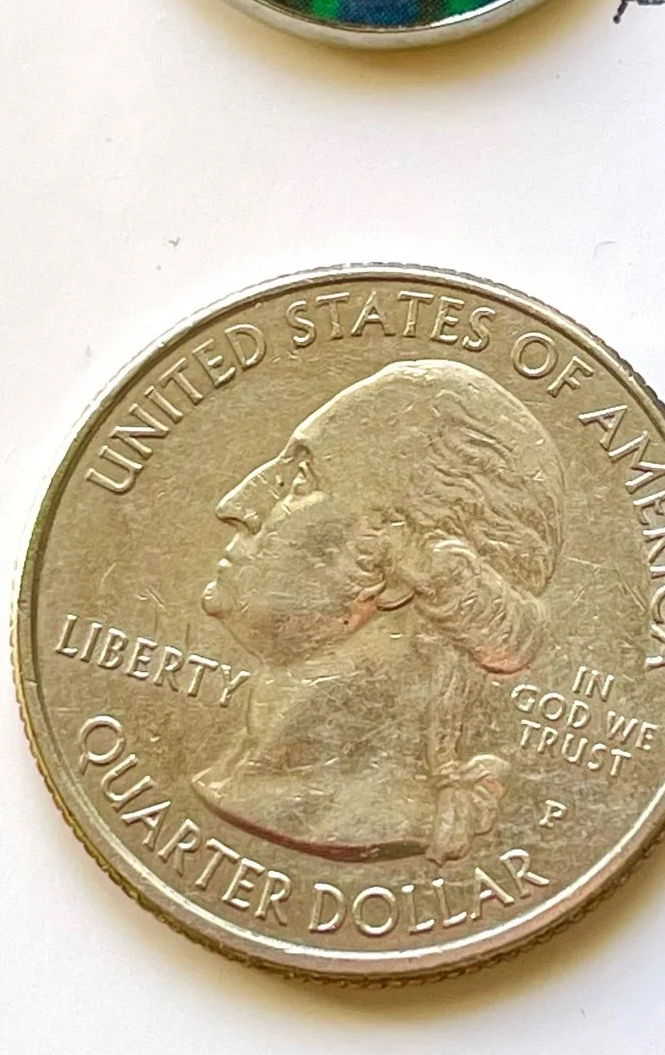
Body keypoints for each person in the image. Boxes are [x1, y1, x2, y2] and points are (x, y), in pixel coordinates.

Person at [193, 360, 563, 863]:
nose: (235, 504)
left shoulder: (348, 818)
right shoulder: (243, 785)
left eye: (301, 479)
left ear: (396, 575)